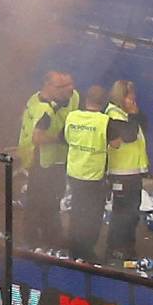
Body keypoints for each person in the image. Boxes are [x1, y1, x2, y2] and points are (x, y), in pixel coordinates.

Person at [62, 94, 128, 259]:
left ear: (86, 101)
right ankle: (86, 252)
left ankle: (73, 249)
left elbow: (64, 138)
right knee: (92, 215)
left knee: (76, 211)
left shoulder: (73, 116)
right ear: (102, 103)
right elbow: (116, 144)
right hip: (93, 175)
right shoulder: (105, 121)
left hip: (75, 172)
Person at [17, 72, 74, 250]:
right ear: (48, 86)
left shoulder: (38, 99)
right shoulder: (44, 110)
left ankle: (50, 235)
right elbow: (38, 137)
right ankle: (33, 238)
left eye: (70, 84)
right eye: (62, 87)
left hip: (52, 161)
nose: (69, 90)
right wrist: (60, 137)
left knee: (52, 199)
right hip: (41, 160)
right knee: (39, 200)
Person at [102, 80, 149, 259]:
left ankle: (126, 246)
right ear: (122, 96)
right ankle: (116, 247)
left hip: (132, 172)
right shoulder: (114, 115)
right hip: (121, 173)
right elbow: (129, 135)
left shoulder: (126, 114)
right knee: (123, 213)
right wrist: (133, 115)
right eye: (130, 95)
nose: (133, 98)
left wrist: (135, 113)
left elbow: (142, 125)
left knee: (131, 212)